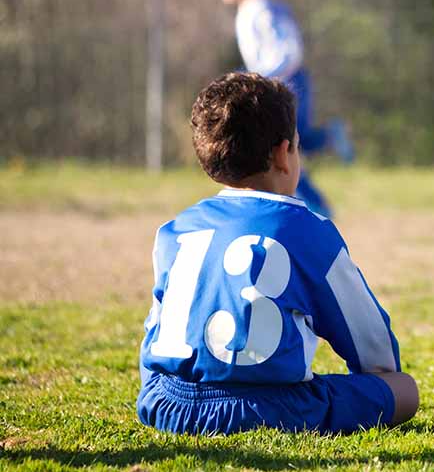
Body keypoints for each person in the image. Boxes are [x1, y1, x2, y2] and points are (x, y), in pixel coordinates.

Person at [137, 72, 418, 435]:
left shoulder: (175, 230)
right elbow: (373, 350)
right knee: (404, 390)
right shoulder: (307, 228)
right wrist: (379, 382)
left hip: (166, 404)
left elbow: (154, 333)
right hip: (270, 409)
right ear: (284, 154)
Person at [210, 0, 353, 219]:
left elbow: (289, 51)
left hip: (289, 85)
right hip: (278, 87)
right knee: (288, 148)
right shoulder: (249, 10)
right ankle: (327, 141)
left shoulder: (261, 10)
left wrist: (260, 79)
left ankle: (316, 209)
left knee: (284, 152)